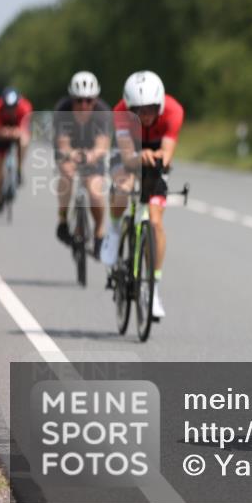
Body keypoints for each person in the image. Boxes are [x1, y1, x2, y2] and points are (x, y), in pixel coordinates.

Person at [101, 71, 184, 321]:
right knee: (123, 183)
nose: (145, 116)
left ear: (159, 105)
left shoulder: (173, 111)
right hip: (131, 151)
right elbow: (127, 155)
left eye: (150, 109)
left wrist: (158, 160)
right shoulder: (120, 113)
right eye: (139, 110)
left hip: (157, 154)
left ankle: (153, 289)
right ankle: (114, 231)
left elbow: (168, 153)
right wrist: (138, 158)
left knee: (156, 222)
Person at [53, 71, 112, 258]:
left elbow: (102, 146)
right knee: (67, 175)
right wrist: (72, 154)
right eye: (78, 100)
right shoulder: (63, 110)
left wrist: (89, 156)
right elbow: (63, 144)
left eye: (88, 100)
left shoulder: (102, 112)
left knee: (95, 190)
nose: (83, 105)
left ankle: (99, 231)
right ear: (72, 99)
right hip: (69, 150)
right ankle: (62, 221)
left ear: (95, 99)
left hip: (92, 152)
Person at [0, 86, 33, 214]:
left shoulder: (25, 107)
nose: (10, 110)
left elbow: (23, 130)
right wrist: (6, 132)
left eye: (13, 107)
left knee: (24, 140)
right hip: (1, 133)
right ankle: (0, 197)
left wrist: (14, 133)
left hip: (16, 131)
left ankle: (19, 169)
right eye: (7, 107)